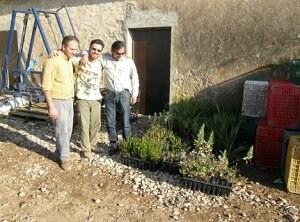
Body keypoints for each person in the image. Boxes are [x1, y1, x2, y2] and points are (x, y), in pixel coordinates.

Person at [42, 35, 79, 170]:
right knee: (61, 131)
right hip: (58, 101)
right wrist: (51, 107)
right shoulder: (53, 61)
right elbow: (46, 86)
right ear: (63, 47)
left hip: (69, 100)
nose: (74, 52)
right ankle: (64, 158)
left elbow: (81, 62)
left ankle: (58, 153)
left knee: (68, 129)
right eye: (72, 49)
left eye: (76, 49)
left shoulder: (69, 60)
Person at [102, 41, 139, 155]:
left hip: (124, 94)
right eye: (118, 53)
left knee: (125, 120)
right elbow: (89, 53)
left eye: (123, 53)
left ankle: (127, 144)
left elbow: (134, 78)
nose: (121, 56)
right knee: (110, 120)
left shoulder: (129, 62)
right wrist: (84, 54)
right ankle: (114, 143)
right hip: (110, 94)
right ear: (112, 51)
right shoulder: (104, 59)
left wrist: (134, 94)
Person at [74, 39, 104, 160]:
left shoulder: (101, 62)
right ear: (89, 48)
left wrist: (84, 52)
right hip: (82, 98)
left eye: (98, 50)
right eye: (93, 49)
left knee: (96, 124)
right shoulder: (78, 60)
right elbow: (66, 55)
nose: (95, 52)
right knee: (84, 124)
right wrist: (84, 54)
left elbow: (114, 56)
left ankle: (92, 144)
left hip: (96, 98)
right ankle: (86, 149)